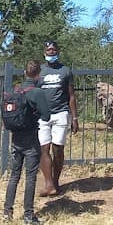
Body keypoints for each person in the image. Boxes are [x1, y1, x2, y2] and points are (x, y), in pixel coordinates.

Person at [4, 61, 50, 225]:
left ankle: (7, 213)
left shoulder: (15, 91)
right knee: (30, 177)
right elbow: (46, 116)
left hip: (16, 139)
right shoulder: (37, 92)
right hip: (31, 140)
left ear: (24, 73)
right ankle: (29, 216)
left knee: (14, 176)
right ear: (39, 74)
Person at [37, 39, 78, 196]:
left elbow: (71, 96)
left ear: (58, 52)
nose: (51, 52)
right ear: (44, 52)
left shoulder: (65, 71)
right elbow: (32, 93)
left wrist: (74, 118)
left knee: (58, 149)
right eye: (49, 50)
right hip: (42, 115)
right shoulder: (39, 71)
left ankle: (55, 181)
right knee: (44, 148)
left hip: (61, 113)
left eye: (54, 50)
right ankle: (48, 184)